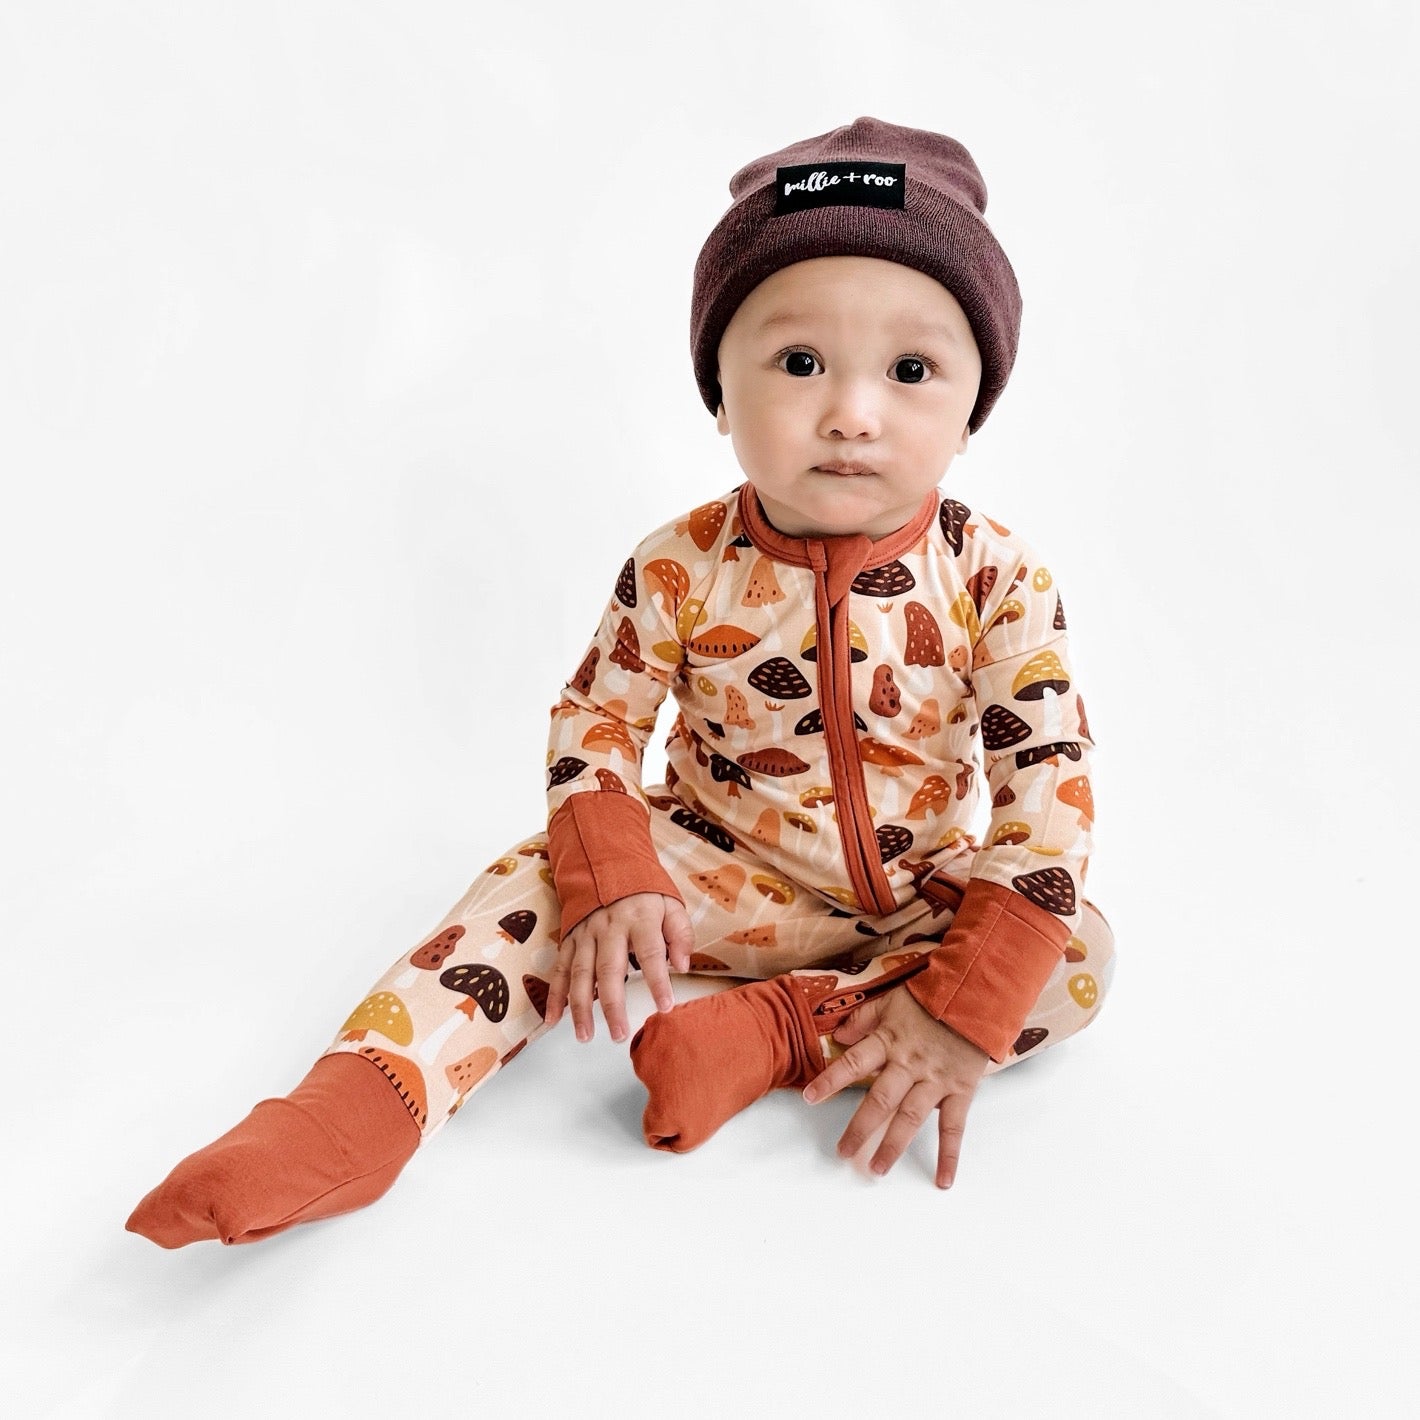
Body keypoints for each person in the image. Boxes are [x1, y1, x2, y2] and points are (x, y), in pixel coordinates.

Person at [126, 115, 1116, 1249]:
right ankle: (356, 1106)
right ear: (718, 394)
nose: (853, 412)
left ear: (973, 407)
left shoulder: (996, 576)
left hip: (916, 892)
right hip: (710, 870)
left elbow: (1048, 776)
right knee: (533, 883)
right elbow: (599, 713)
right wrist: (614, 871)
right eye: (799, 363)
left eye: (911, 370)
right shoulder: (680, 564)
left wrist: (960, 1014)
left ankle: (779, 1032)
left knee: (1076, 953)